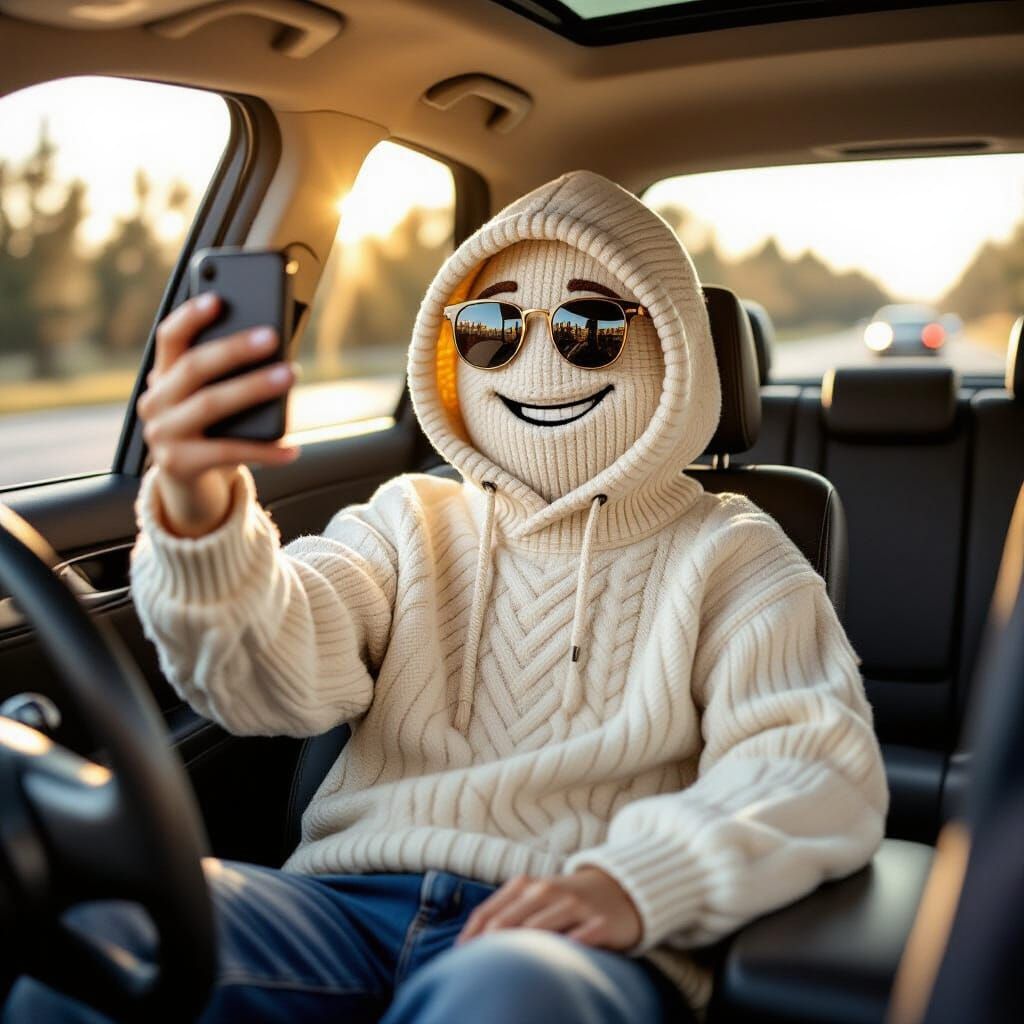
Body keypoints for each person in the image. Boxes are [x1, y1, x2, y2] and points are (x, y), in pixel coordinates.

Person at [4, 170, 888, 1023]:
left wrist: (637, 882)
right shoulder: (405, 518)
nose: (537, 360)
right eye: (492, 327)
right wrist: (199, 511)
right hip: (342, 913)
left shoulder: (736, 551)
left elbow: (813, 764)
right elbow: (267, 680)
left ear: (677, 351)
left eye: (589, 325)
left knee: (505, 997)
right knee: (105, 950)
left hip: (572, 939)